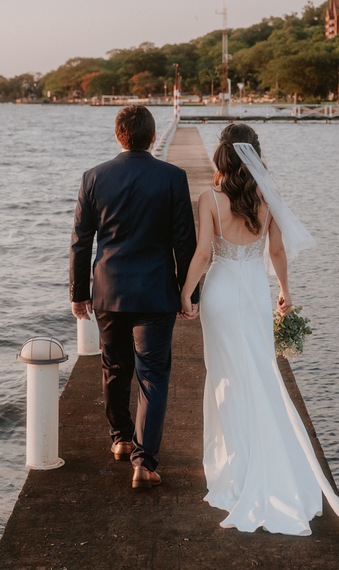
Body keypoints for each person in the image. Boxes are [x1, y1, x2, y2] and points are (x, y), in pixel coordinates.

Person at [180, 123, 339, 565]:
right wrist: (285, 292)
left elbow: (204, 255)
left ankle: (235, 469)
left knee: (226, 378)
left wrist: (185, 291)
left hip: (221, 296)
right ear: (254, 154)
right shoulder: (267, 196)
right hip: (252, 294)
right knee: (260, 376)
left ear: (221, 157)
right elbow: (278, 252)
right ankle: (268, 467)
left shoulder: (209, 199)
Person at [69, 105, 197, 490]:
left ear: (117, 135)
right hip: (157, 294)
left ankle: (121, 439)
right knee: (153, 376)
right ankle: (144, 462)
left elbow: (80, 242)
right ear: (154, 137)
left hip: (108, 292)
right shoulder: (173, 177)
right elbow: (184, 242)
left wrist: (79, 293)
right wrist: (190, 293)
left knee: (114, 367)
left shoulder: (94, 177)